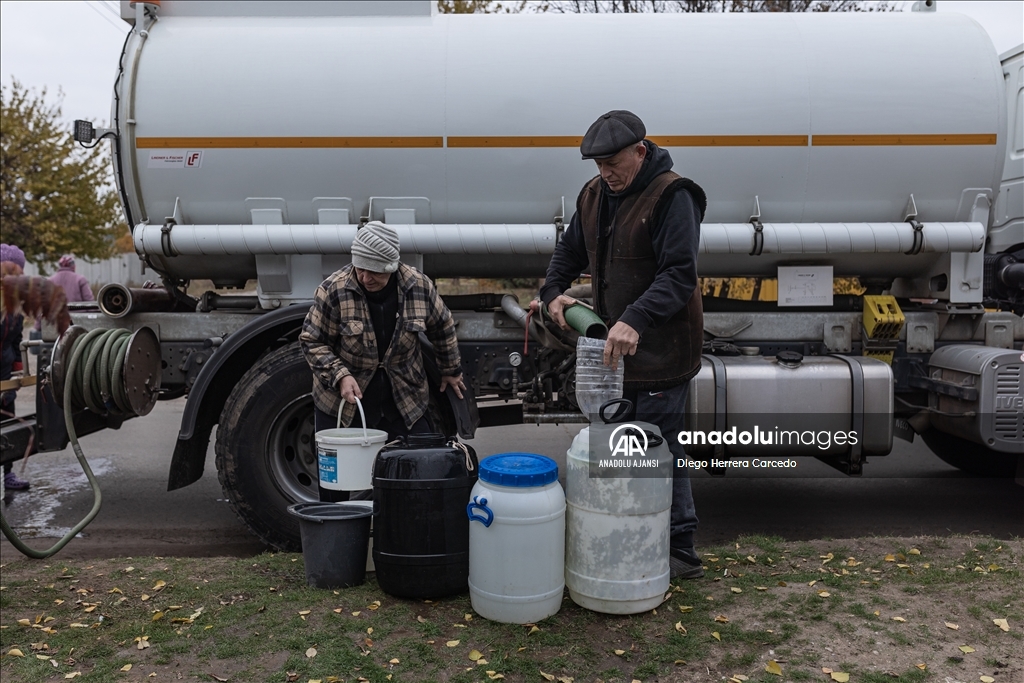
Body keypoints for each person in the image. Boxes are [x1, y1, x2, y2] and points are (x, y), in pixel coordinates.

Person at [537, 110, 707, 579]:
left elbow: (679, 274)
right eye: (598, 166)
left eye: (613, 163)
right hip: (615, 354)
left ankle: (678, 548)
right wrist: (551, 292)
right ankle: (629, 540)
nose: (606, 174)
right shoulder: (594, 195)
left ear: (640, 150)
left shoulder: (674, 195)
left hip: (662, 351)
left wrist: (635, 318)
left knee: (655, 449)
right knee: (621, 451)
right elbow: (569, 252)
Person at [300, 221, 465, 495]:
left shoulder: (418, 287)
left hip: (404, 398)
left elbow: (443, 324)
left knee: (417, 474)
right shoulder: (333, 290)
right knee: (334, 488)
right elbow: (311, 339)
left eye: (374, 271)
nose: (365, 278)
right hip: (342, 403)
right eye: (360, 269)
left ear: (392, 266)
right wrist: (340, 375)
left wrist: (450, 368)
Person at [1, 244, 31, 491]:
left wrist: (16, 371)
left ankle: (7, 474)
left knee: (7, 424)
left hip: (5, 371)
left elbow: (15, 338)